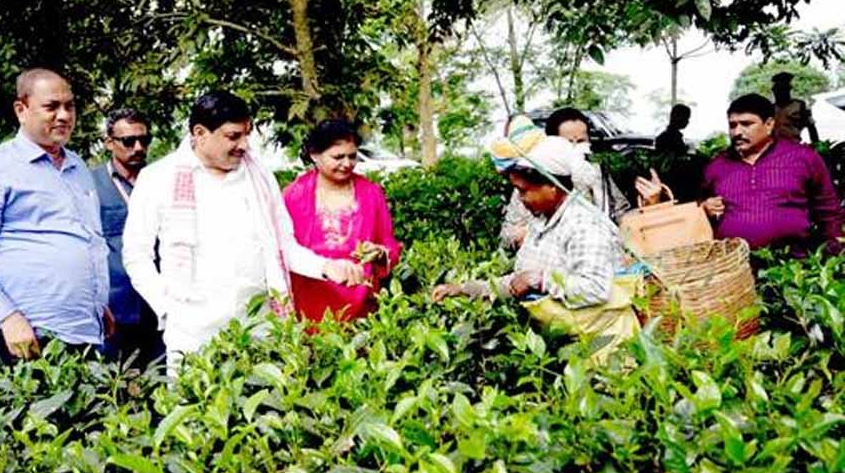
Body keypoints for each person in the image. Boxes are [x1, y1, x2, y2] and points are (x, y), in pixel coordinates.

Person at [121, 91, 364, 367]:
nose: (244, 145)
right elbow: (136, 256)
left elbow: (284, 247)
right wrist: (167, 308)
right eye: (233, 136)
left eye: (246, 135)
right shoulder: (158, 178)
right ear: (200, 133)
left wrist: (325, 267)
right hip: (193, 333)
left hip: (260, 327)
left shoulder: (259, 176)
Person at [0, 68, 112, 361]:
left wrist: (96, 304)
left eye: (69, 106)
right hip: (27, 334)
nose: (64, 116)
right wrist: (7, 316)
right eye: (51, 107)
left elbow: (86, 239)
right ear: (21, 110)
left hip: (84, 330)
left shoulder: (78, 168)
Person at [434, 133, 638, 352]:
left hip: (606, 347)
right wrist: (465, 289)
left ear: (552, 186)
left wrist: (541, 280)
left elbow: (595, 288)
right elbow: (519, 281)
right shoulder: (540, 222)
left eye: (523, 190)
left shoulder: (584, 225)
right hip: (569, 345)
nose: (520, 199)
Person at [282, 120, 401, 321]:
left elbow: (389, 243)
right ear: (315, 155)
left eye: (352, 156)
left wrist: (380, 253)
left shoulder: (371, 193)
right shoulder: (293, 195)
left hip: (360, 298)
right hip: (309, 297)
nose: (347, 164)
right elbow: (284, 248)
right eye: (338, 157)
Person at [701, 93, 842, 255]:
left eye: (746, 124)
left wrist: (835, 252)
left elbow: (829, 210)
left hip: (792, 265)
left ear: (768, 124)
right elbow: (698, 211)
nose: (737, 132)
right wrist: (705, 208)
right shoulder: (716, 166)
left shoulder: (803, 158)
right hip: (733, 264)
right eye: (732, 125)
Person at [499, 111, 661, 249]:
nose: (576, 147)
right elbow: (507, 236)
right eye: (569, 142)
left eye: (581, 141)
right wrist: (526, 235)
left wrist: (650, 206)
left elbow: (621, 216)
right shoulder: (534, 185)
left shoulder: (597, 175)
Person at [90, 108, 165, 365]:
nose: (138, 148)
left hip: (158, 304)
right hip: (114, 306)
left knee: (162, 379)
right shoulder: (90, 185)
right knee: (112, 380)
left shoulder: (160, 181)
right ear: (109, 142)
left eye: (144, 140)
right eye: (128, 141)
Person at [772, 72, 819, 143]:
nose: (778, 93)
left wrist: (816, 144)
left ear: (788, 90)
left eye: (782, 90)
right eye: (776, 90)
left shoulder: (799, 105)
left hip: (793, 144)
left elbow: (811, 126)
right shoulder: (771, 108)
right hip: (775, 145)